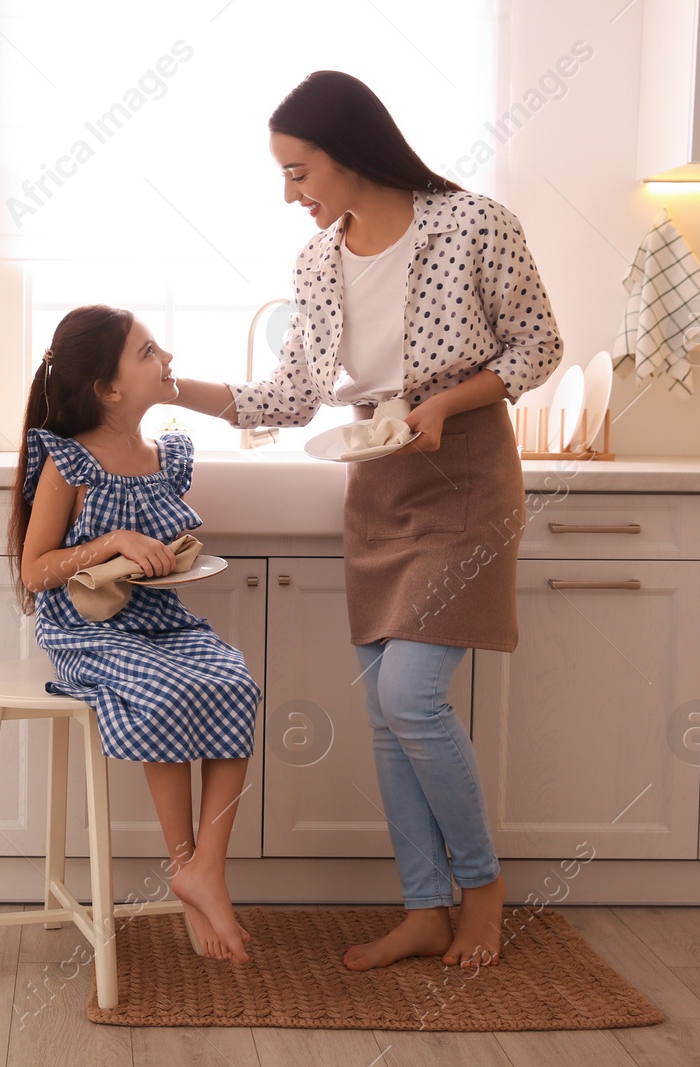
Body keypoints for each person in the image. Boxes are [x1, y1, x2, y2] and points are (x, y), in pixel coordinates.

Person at [173, 71, 563, 970]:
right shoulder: (315, 264)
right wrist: (173, 388)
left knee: (410, 697)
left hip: (463, 476)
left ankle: (484, 887)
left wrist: (447, 404)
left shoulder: (473, 224)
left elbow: (538, 345)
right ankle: (424, 906)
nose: (290, 195)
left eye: (298, 172)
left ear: (348, 153)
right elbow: (295, 393)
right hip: (379, 490)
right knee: (389, 716)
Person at [9, 304, 262, 964]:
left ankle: (206, 867)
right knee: (169, 690)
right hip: (87, 630)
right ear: (109, 388)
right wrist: (110, 542)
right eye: (149, 351)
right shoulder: (71, 461)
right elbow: (37, 571)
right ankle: (187, 867)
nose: (167, 358)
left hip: (160, 620)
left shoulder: (164, 456)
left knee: (234, 681)